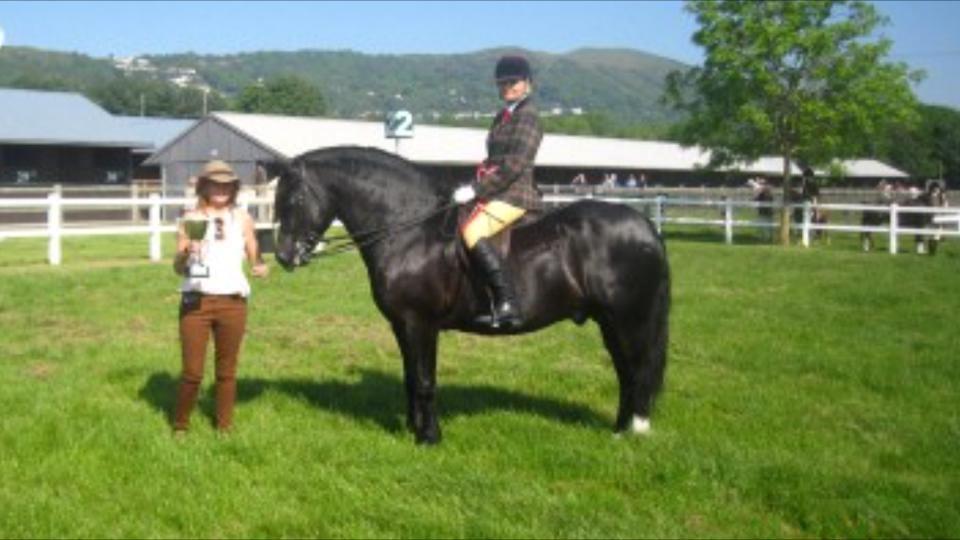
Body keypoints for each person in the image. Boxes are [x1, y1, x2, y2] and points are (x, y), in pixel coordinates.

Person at [171, 160, 269, 435]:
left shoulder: (242, 218)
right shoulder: (191, 219)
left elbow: (252, 246)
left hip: (233, 302)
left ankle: (224, 427)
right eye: (215, 183)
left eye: (227, 184)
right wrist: (185, 253)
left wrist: (258, 264)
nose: (221, 189)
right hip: (196, 302)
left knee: (226, 371)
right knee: (193, 373)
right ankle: (180, 426)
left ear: (234, 188)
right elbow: (178, 268)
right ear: (204, 186)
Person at [451, 55, 544, 328]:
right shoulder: (502, 117)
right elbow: (492, 162)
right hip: (497, 190)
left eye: (513, 82)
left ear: (527, 83)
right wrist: (472, 185)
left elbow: (514, 166)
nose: (507, 87)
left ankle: (508, 303)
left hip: (515, 193)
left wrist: (476, 190)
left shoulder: (528, 117)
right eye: (502, 83)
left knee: (472, 232)